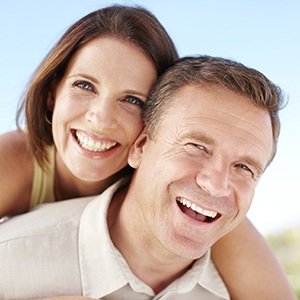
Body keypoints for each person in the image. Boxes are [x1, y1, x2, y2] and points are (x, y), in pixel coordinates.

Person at [0, 56, 296, 300]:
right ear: (141, 147)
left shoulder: (242, 286)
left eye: (244, 167)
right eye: (196, 147)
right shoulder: (11, 260)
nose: (216, 184)